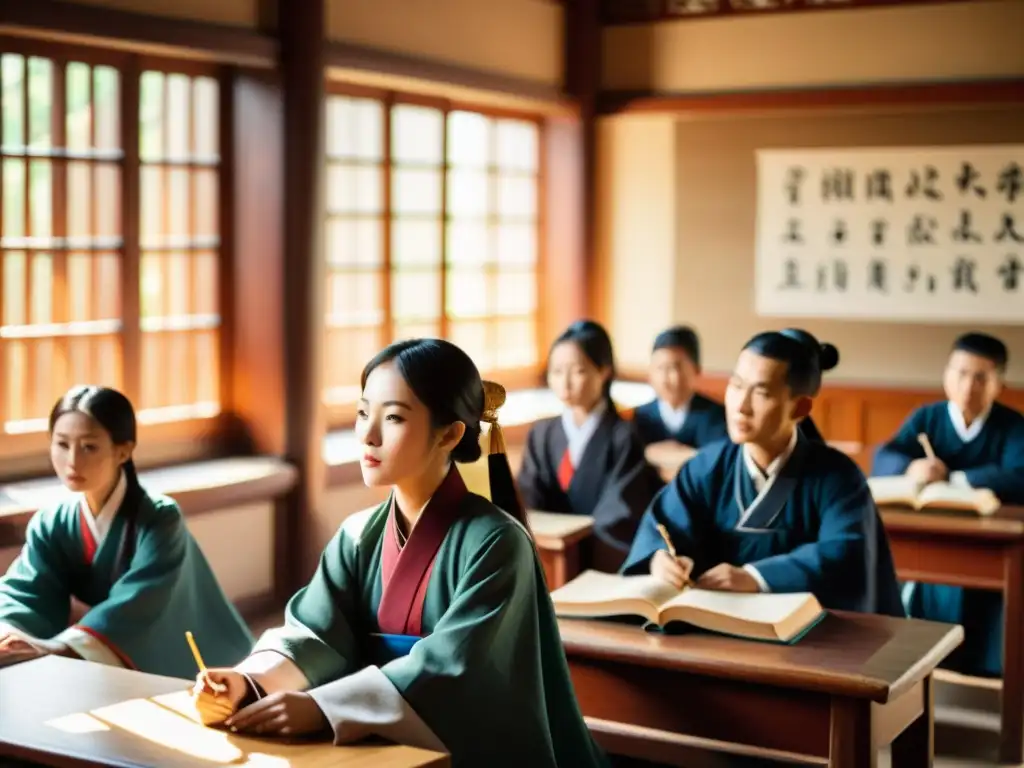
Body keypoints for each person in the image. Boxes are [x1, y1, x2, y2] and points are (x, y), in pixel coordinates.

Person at [192, 339, 608, 768]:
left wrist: (325, 708)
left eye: (392, 417)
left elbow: (456, 672)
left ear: (449, 433)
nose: (368, 435)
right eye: (361, 413)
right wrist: (247, 682)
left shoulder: (497, 544)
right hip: (369, 748)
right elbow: (314, 635)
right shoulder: (356, 537)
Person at [622, 330, 904, 617]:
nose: (741, 407)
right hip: (712, 630)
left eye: (762, 393)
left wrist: (756, 578)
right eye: (736, 385)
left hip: (808, 642)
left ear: (801, 407)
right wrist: (660, 558)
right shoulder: (706, 466)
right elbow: (663, 527)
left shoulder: (838, 478)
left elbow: (845, 553)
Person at [0, 386, 253, 676]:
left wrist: (55, 649)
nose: (72, 460)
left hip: (191, 652)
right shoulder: (53, 521)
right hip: (111, 653)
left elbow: (139, 604)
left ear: (123, 450)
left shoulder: (159, 518)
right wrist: (9, 635)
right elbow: (28, 591)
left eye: (89, 446)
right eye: (62, 444)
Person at [872, 331, 1024, 677]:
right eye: (960, 373)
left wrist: (953, 479)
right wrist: (911, 467)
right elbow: (885, 456)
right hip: (933, 532)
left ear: (999, 384)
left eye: (981, 377)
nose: (968, 386)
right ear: (946, 375)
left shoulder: (1012, 426)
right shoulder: (928, 417)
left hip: (989, 542)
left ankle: (981, 674)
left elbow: (1020, 475)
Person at [516, 320, 660, 571]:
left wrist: (573, 549)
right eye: (557, 371)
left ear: (604, 371)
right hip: (545, 559)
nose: (565, 382)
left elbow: (621, 514)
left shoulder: (623, 436)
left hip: (595, 563)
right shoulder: (542, 434)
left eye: (577, 371)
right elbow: (528, 500)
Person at [632, 325, 727, 449]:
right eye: (659, 368)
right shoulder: (641, 416)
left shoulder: (715, 415)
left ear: (696, 369)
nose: (664, 378)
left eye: (673, 367)